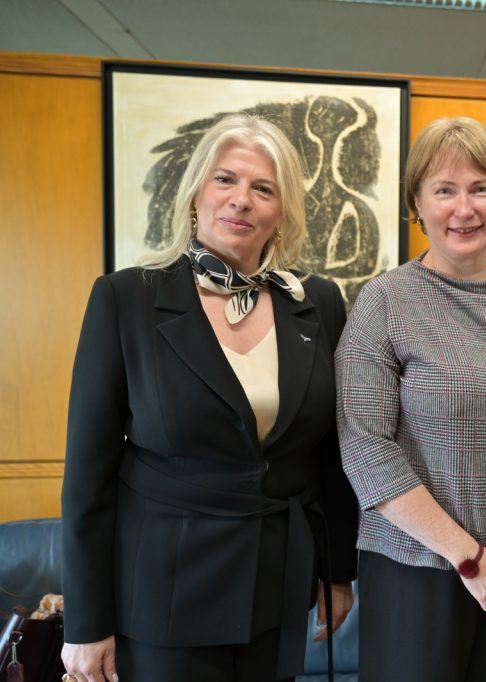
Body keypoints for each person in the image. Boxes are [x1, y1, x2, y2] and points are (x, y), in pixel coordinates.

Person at [60, 114, 359, 682]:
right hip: (165, 591)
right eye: (225, 179)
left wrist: (337, 572)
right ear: (197, 192)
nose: (241, 199)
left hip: (278, 585)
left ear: (282, 211)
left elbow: (332, 453)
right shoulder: (126, 299)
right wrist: (86, 621)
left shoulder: (318, 302)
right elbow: (87, 477)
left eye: (263, 188)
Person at [336, 116, 486, 681]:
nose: (464, 209)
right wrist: (470, 559)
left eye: (481, 188)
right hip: (416, 570)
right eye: (444, 190)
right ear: (417, 204)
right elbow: (366, 448)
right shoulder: (385, 301)